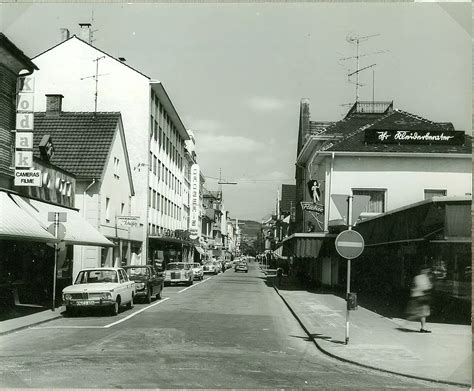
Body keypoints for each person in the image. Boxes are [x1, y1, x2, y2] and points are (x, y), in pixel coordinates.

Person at [407, 267, 433, 333]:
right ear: (423, 271)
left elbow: (413, 288)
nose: (428, 271)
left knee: (422, 313)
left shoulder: (416, 277)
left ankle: (422, 328)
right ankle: (422, 327)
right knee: (422, 313)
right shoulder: (424, 277)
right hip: (422, 297)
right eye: (427, 270)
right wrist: (430, 286)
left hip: (416, 297)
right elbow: (426, 287)